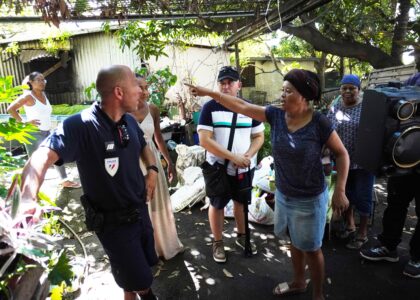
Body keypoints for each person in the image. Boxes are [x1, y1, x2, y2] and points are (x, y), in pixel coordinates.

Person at [186, 68, 350, 300]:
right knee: (294, 241)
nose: (282, 95)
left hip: (310, 198)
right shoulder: (275, 115)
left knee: (312, 249)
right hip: (284, 194)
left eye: (288, 91)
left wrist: (340, 190)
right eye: (282, 90)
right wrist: (207, 92)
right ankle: (298, 282)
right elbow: (240, 106)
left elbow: (342, 154)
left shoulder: (319, 123)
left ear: (304, 96)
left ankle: (318, 294)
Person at [19, 65, 160, 300]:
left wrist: (153, 170)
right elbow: (41, 156)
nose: (142, 91)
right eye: (136, 86)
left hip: (140, 213)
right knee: (142, 281)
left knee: (135, 273)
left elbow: (144, 147)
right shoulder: (81, 125)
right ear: (119, 92)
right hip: (114, 224)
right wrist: (27, 198)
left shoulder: (129, 121)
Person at [197, 66, 265, 263]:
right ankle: (217, 242)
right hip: (217, 167)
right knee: (217, 204)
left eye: (230, 82)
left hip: (244, 166)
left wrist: (247, 155)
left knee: (240, 202)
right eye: (222, 83)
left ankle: (242, 236)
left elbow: (259, 136)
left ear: (239, 85)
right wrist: (232, 157)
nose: (226, 86)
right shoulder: (210, 107)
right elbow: (204, 140)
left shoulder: (249, 107)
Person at [360, 72, 420, 279]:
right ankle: (388, 246)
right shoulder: (414, 79)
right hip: (406, 154)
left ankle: (417, 257)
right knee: (396, 204)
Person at [131, 74, 184, 260]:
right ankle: (144, 250)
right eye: (141, 88)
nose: (145, 92)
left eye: (147, 88)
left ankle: (163, 245)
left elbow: (158, 138)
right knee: (139, 205)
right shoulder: (121, 112)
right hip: (133, 163)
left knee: (158, 202)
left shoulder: (152, 109)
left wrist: (169, 162)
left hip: (152, 162)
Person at [7, 72, 80, 188]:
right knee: (35, 162)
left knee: (57, 154)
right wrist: (24, 122)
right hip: (33, 133)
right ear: (30, 83)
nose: (42, 82)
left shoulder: (43, 95)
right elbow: (11, 109)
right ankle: (30, 188)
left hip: (47, 131)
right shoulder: (28, 96)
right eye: (38, 80)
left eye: (43, 80)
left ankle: (64, 180)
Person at [327, 74, 375, 249]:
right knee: (345, 194)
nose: (347, 91)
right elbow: (327, 127)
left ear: (359, 90)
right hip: (341, 159)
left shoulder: (367, 108)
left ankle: (362, 233)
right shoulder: (335, 105)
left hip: (363, 160)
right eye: (344, 88)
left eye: (352, 88)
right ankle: (350, 225)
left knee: (363, 196)